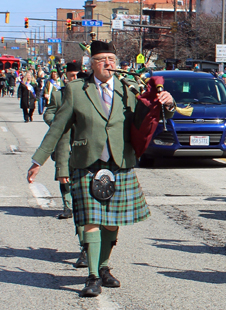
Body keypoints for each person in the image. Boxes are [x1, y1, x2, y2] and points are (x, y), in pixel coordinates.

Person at [26, 40, 175, 297]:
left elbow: (150, 117)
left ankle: (104, 267)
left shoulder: (128, 89)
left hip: (119, 163)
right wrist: (39, 159)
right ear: (91, 64)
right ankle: (93, 275)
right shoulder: (76, 90)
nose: (109, 64)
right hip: (87, 163)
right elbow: (58, 127)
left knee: (112, 223)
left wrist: (168, 103)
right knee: (92, 221)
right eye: (102, 59)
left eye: (112, 59)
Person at [42, 62, 88, 268]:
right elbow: (48, 114)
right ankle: (85, 248)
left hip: (90, 157)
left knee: (91, 206)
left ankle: (96, 248)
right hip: (67, 152)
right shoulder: (59, 95)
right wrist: (58, 121)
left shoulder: (92, 94)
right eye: (71, 75)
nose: (74, 78)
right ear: (66, 76)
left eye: (78, 74)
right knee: (79, 206)